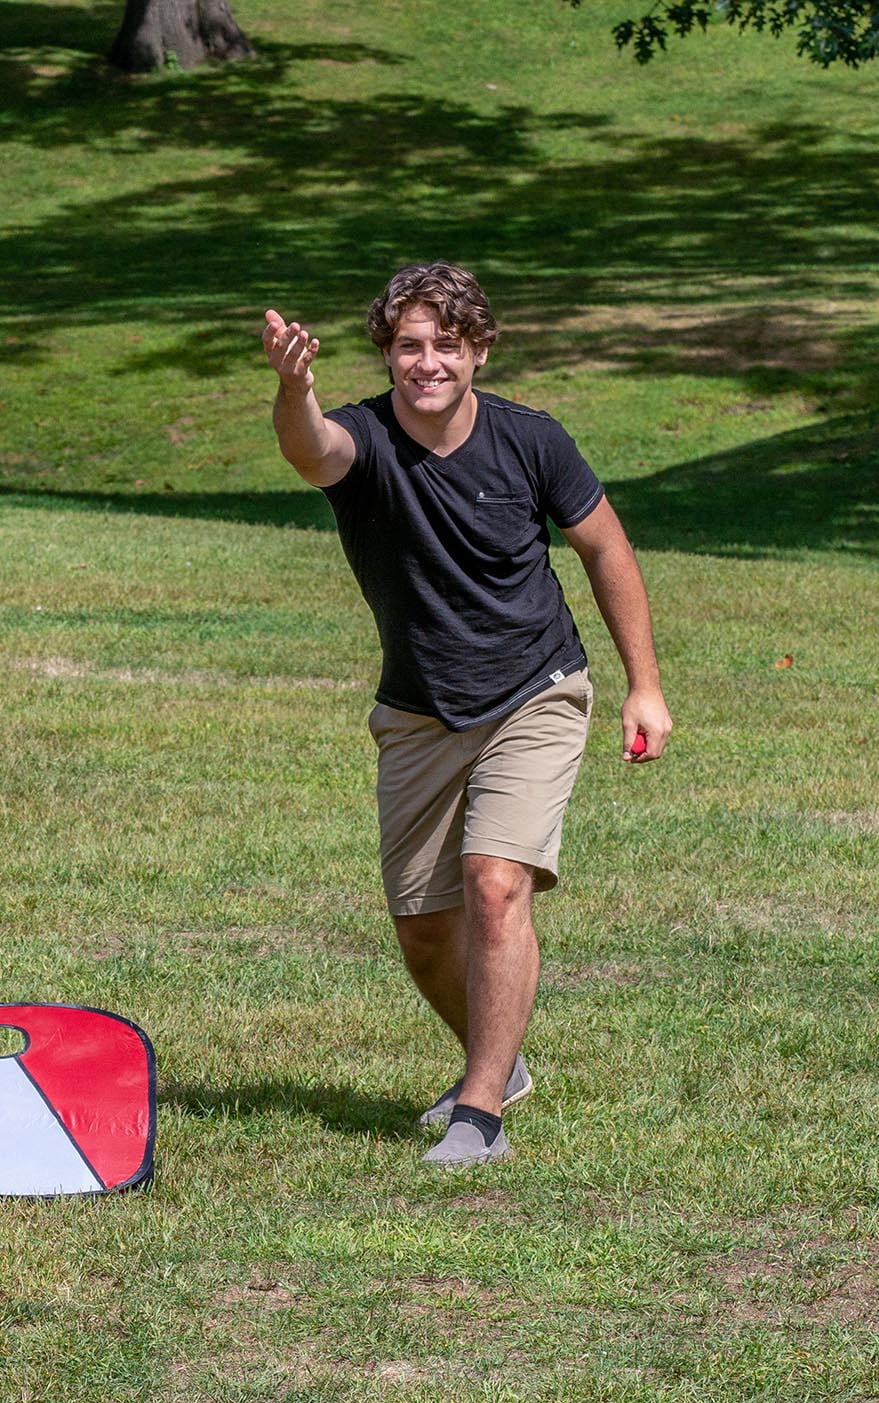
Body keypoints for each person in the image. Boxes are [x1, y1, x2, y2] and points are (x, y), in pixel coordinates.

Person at [260, 262, 673, 1167]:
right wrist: (295, 388)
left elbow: (604, 547)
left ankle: (478, 1112)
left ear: (479, 349)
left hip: (536, 687)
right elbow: (308, 451)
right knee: (421, 930)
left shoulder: (533, 441)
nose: (427, 362)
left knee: (495, 880)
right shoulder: (363, 439)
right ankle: (501, 1059)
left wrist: (645, 684)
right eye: (409, 344)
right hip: (418, 710)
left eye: (447, 343)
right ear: (387, 353)